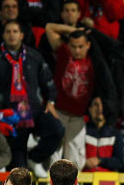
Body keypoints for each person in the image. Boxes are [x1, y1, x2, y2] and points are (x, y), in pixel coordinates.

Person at [0, 20, 61, 173]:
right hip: (7, 118)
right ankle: (22, 171)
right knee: (18, 168)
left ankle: (34, 158)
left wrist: (51, 101)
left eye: (15, 31)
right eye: (8, 31)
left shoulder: (34, 57)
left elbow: (47, 81)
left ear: (22, 35)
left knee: (57, 129)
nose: (11, 35)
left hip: (33, 112)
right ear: (3, 35)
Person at [45, 24, 118, 171]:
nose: (77, 50)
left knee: (75, 165)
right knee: (53, 162)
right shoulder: (64, 53)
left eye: (80, 46)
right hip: (58, 114)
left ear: (88, 45)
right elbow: (49, 28)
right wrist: (74, 31)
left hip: (78, 119)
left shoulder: (95, 62)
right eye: (73, 46)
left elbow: (115, 47)